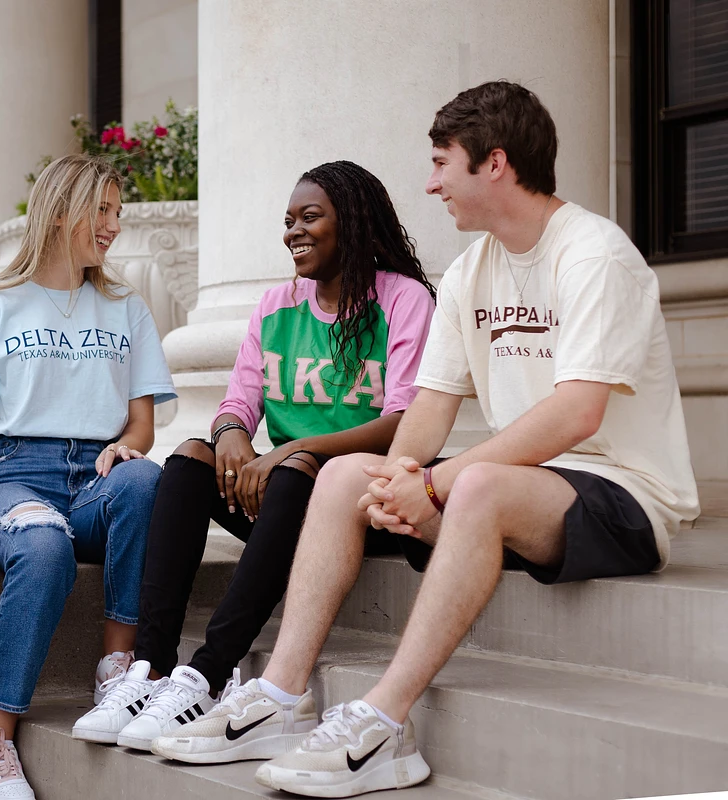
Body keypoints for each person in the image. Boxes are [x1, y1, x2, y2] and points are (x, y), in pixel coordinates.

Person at [232, 81, 700, 797]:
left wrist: (437, 483)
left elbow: (577, 415)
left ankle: (384, 723)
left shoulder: (594, 256)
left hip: (623, 494)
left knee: (475, 481)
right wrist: (398, 477)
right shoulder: (470, 272)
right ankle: (282, 696)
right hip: (525, 483)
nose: (430, 182)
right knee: (345, 473)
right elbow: (431, 405)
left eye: (442, 162)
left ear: (495, 163)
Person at [71, 160, 437, 758]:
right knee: (189, 458)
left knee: (294, 470)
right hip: (283, 498)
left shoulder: (401, 299)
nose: (293, 231)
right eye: (288, 221)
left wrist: (294, 448)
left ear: (354, 221)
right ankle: (151, 670)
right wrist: (231, 433)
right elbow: (236, 402)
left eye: (310, 217)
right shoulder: (275, 306)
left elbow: (404, 421)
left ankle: (207, 675)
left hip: (360, 503)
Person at [0, 153, 176, 800]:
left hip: (95, 478)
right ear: (60, 210)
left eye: (117, 213)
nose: (113, 226)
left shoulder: (127, 309)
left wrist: (125, 448)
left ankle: (118, 670)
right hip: (16, 475)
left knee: (146, 479)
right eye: (102, 210)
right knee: (43, 546)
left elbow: (141, 427)